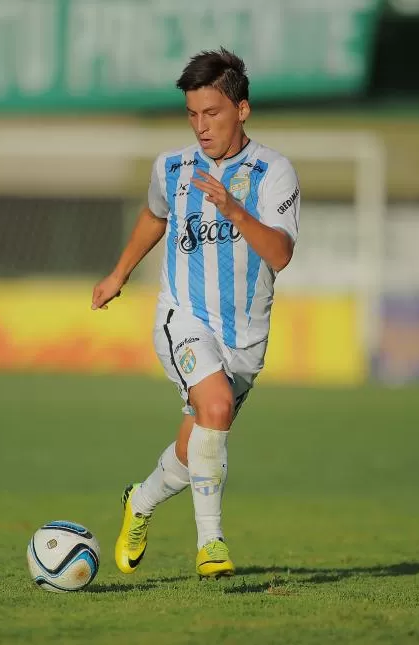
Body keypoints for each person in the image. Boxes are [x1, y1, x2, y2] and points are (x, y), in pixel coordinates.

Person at [91, 48, 301, 579]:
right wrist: (119, 273)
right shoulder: (172, 167)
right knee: (214, 408)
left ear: (242, 110)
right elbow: (153, 216)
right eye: (193, 114)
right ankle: (211, 544)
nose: (201, 126)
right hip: (183, 318)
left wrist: (234, 209)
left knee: (197, 443)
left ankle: (139, 502)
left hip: (246, 339)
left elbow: (279, 254)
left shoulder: (274, 172)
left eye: (213, 113)